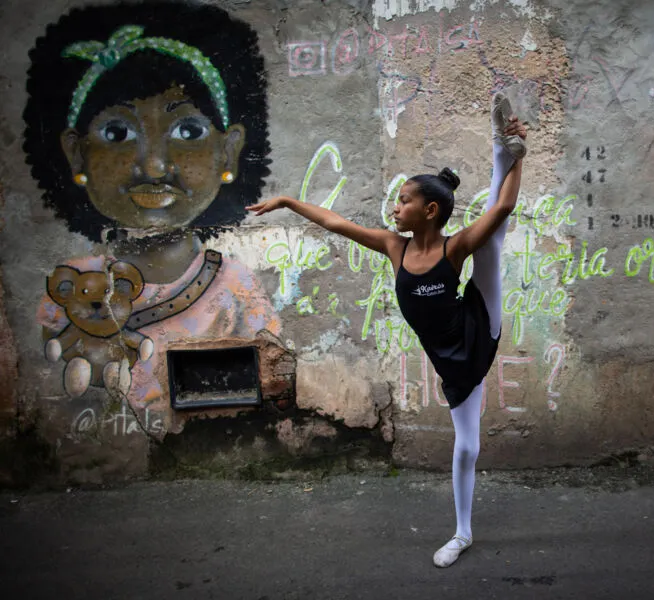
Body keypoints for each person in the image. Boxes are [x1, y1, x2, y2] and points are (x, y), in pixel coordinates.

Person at [248, 92, 527, 568]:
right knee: (468, 446)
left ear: (431, 211)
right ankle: (462, 534)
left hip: (479, 323)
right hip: (451, 359)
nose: (395, 207)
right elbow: (334, 222)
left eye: (404, 201)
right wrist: (288, 201)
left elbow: (501, 210)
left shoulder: (452, 249)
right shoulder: (393, 248)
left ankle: (506, 149)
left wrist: (519, 162)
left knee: (492, 242)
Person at [26, 3, 280, 403]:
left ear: (229, 152)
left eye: (188, 129)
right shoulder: (70, 284)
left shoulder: (233, 285)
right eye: (116, 133)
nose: (154, 166)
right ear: (76, 154)